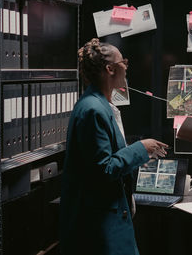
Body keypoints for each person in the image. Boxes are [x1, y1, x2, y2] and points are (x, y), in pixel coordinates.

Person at [60, 38, 168, 255]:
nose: (126, 67)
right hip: (98, 229)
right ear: (109, 69)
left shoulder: (101, 105)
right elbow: (104, 168)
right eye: (123, 63)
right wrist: (141, 148)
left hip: (106, 222)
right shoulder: (93, 110)